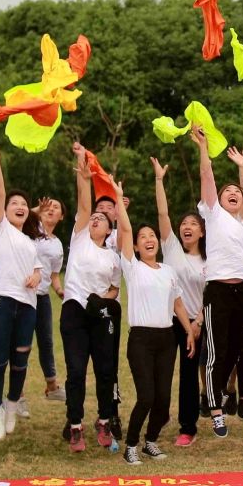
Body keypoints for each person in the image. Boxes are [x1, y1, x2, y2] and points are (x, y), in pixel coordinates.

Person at [193, 129, 243, 437]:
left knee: (236, 351)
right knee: (217, 351)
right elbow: (207, 177)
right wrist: (204, 148)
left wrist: (242, 168)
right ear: (218, 200)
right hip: (219, 291)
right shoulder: (214, 214)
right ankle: (215, 410)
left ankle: (218, 391)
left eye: (237, 192)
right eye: (228, 192)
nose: (234, 193)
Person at [112, 182, 185, 465]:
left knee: (163, 401)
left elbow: (178, 304)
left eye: (152, 235)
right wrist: (119, 198)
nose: (148, 239)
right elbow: (126, 229)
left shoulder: (168, 271)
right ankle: (131, 445)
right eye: (142, 237)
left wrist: (189, 331)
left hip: (167, 339)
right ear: (136, 246)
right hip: (141, 340)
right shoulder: (132, 267)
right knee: (146, 397)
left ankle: (150, 441)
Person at [59, 144, 123, 453]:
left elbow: (114, 289)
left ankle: (104, 420)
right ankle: (75, 425)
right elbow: (85, 206)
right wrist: (84, 176)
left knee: (105, 370)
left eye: (101, 218)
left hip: (100, 313)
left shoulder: (112, 256)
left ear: (109, 229)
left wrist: (104, 299)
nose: (95, 219)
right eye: (94, 217)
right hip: (74, 308)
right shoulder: (80, 237)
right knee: (76, 370)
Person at [0, 141, 44, 440]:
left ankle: (12, 403)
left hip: (27, 306)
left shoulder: (31, 243)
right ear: (3, 210)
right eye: (14, 203)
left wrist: (35, 276)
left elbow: (38, 271)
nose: (20, 206)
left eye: (23, 204)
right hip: (0, 300)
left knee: (20, 360)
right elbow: (0, 191)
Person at [155, 159, 206, 448]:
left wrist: (197, 323)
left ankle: (188, 427)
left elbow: (211, 296)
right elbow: (162, 213)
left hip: (195, 323)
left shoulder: (210, 261)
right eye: (184, 223)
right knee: (161, 372)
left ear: (202, 232)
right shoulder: (172, 248)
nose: (187, 227)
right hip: (167, 320)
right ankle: (160, 415)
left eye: (193, 224)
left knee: (188, 376)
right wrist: (159, 180)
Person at [30, 196, 67, 409]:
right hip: (23, 294)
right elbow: (20, 216)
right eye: (48, 206)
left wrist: (60, 291)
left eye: (56, 207)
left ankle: (52, 386)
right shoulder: (30, 230)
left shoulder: (57, 244)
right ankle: (17, 394)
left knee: (46, 341)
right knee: (21, 343)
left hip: (42, 296)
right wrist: (37, 209)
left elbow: (53, 275)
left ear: (62, 217)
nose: (51, 209)